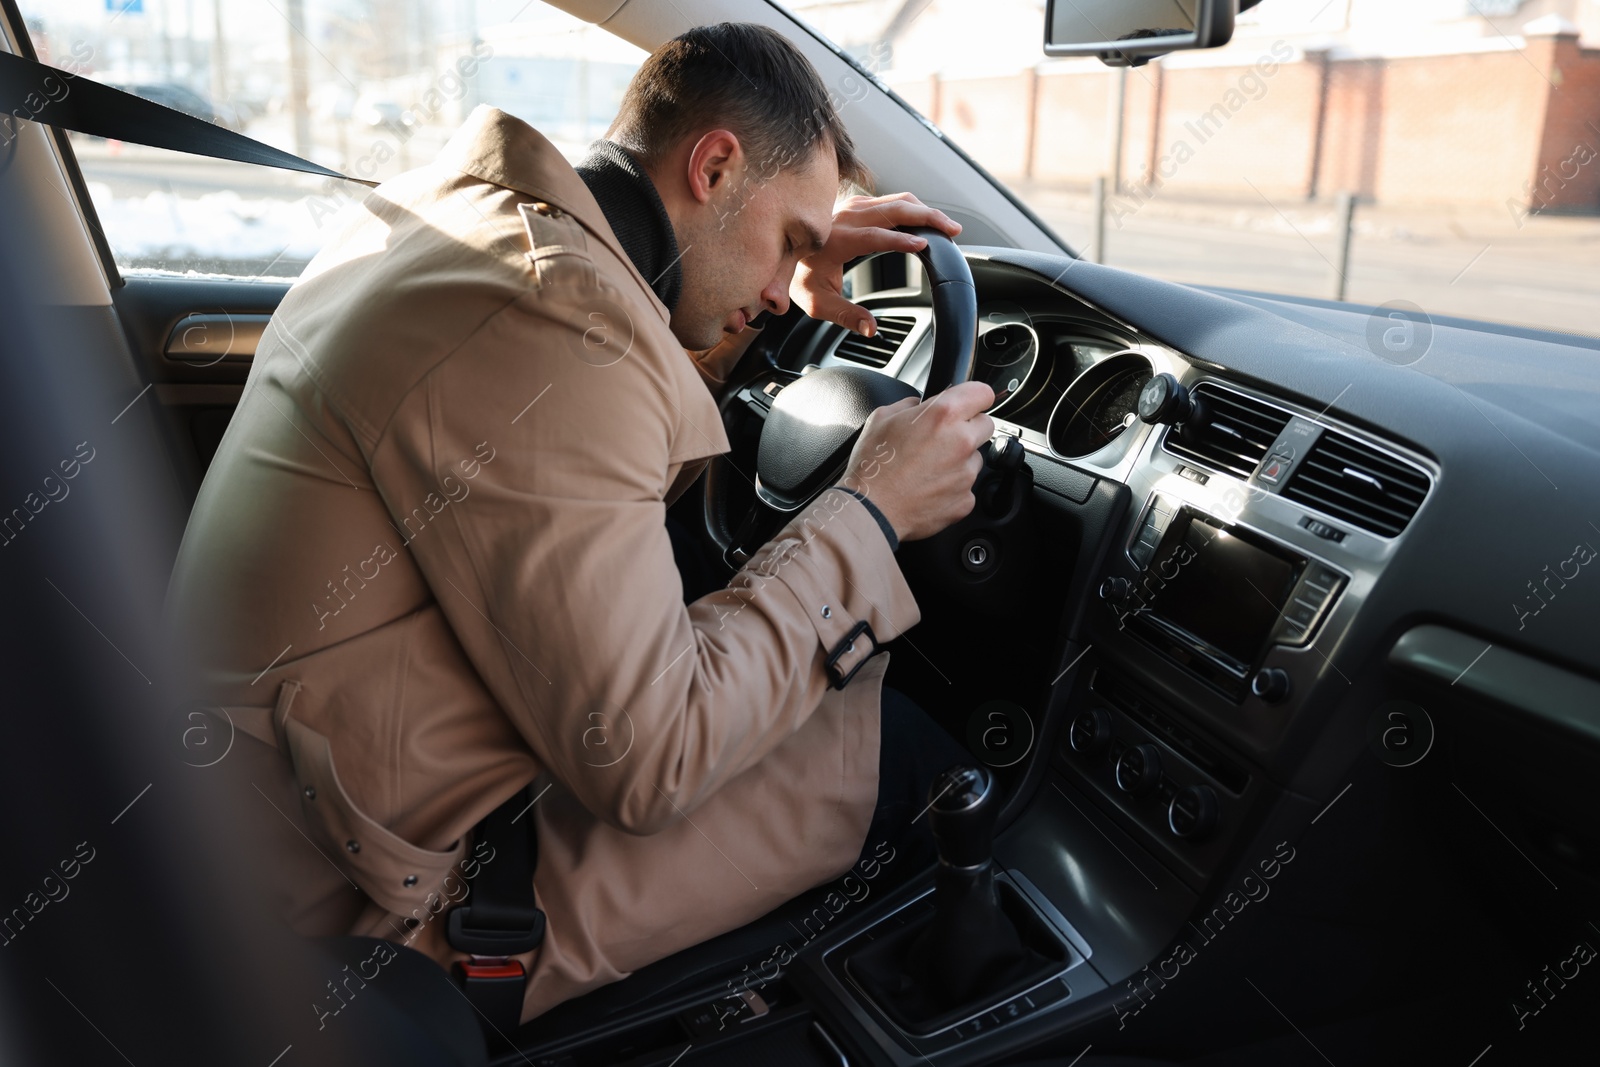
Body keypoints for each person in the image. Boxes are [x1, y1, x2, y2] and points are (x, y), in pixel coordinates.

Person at [164, 22, 992, 1025]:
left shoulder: (479, 230)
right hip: (365, 904)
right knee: (912, 758)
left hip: (263, 822)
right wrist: (870, 509)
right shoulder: (555, 322)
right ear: (716, 165)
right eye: (789, 243)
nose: (782, 289)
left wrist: (776, 286)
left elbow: (609, 410)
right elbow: (654, 760)